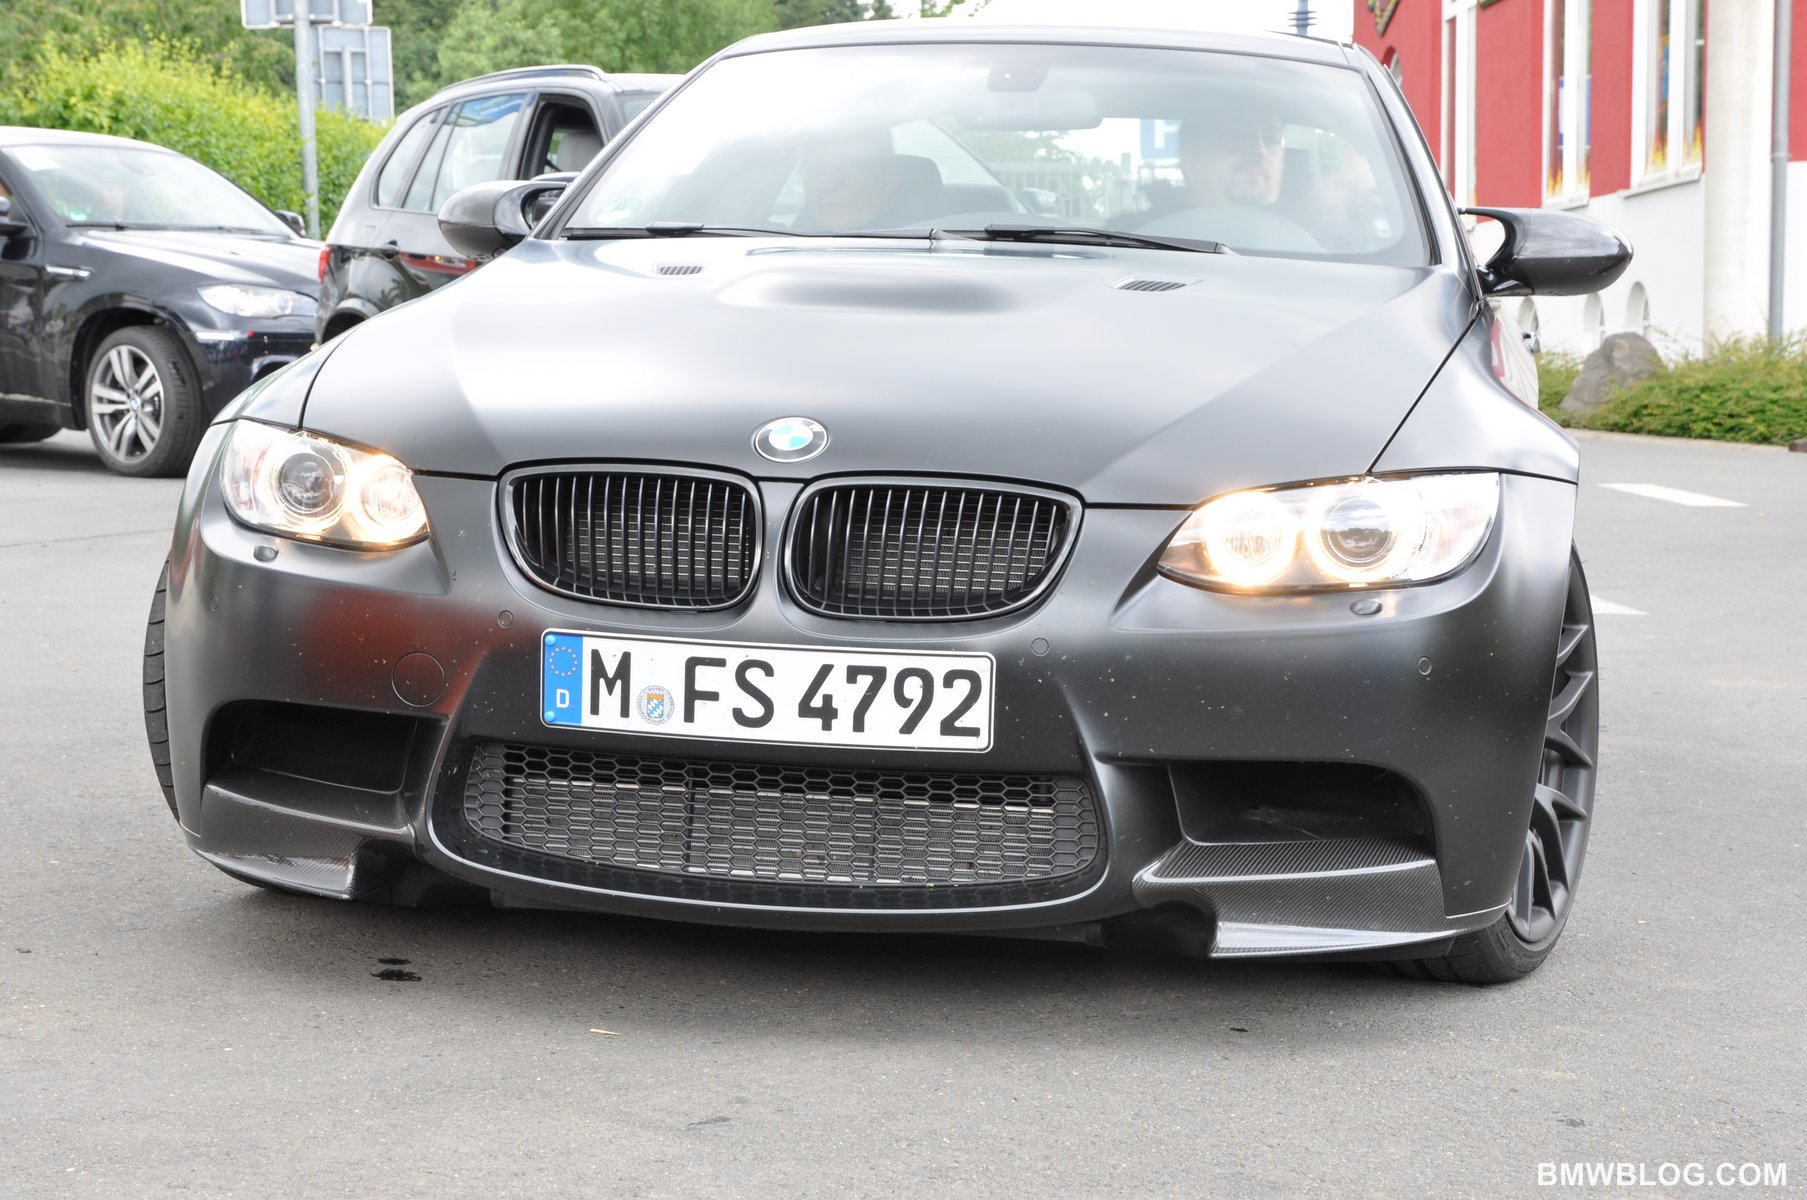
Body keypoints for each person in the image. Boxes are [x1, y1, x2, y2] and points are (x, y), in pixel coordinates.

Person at [795, 130, 908, 231]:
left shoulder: (913, 239)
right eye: (814, 166)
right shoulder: (787, 239)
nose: (828, 183)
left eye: (853, 165)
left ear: (890, 178)